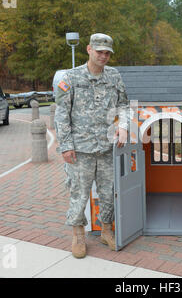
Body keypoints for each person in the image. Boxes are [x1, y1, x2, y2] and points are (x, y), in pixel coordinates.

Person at [54, 33, 129, 258]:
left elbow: (124, 105)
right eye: (99, 52)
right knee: (79, 194)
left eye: (107, 53)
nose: (103, 56)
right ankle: (78, 234)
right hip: (80, 150)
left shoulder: (114, 76)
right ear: (88, 49)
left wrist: (123, 125)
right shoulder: (71, 77)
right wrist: (66, 145)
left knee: (108, 193)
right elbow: (61, 114)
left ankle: (106, 230)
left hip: (107, 148)